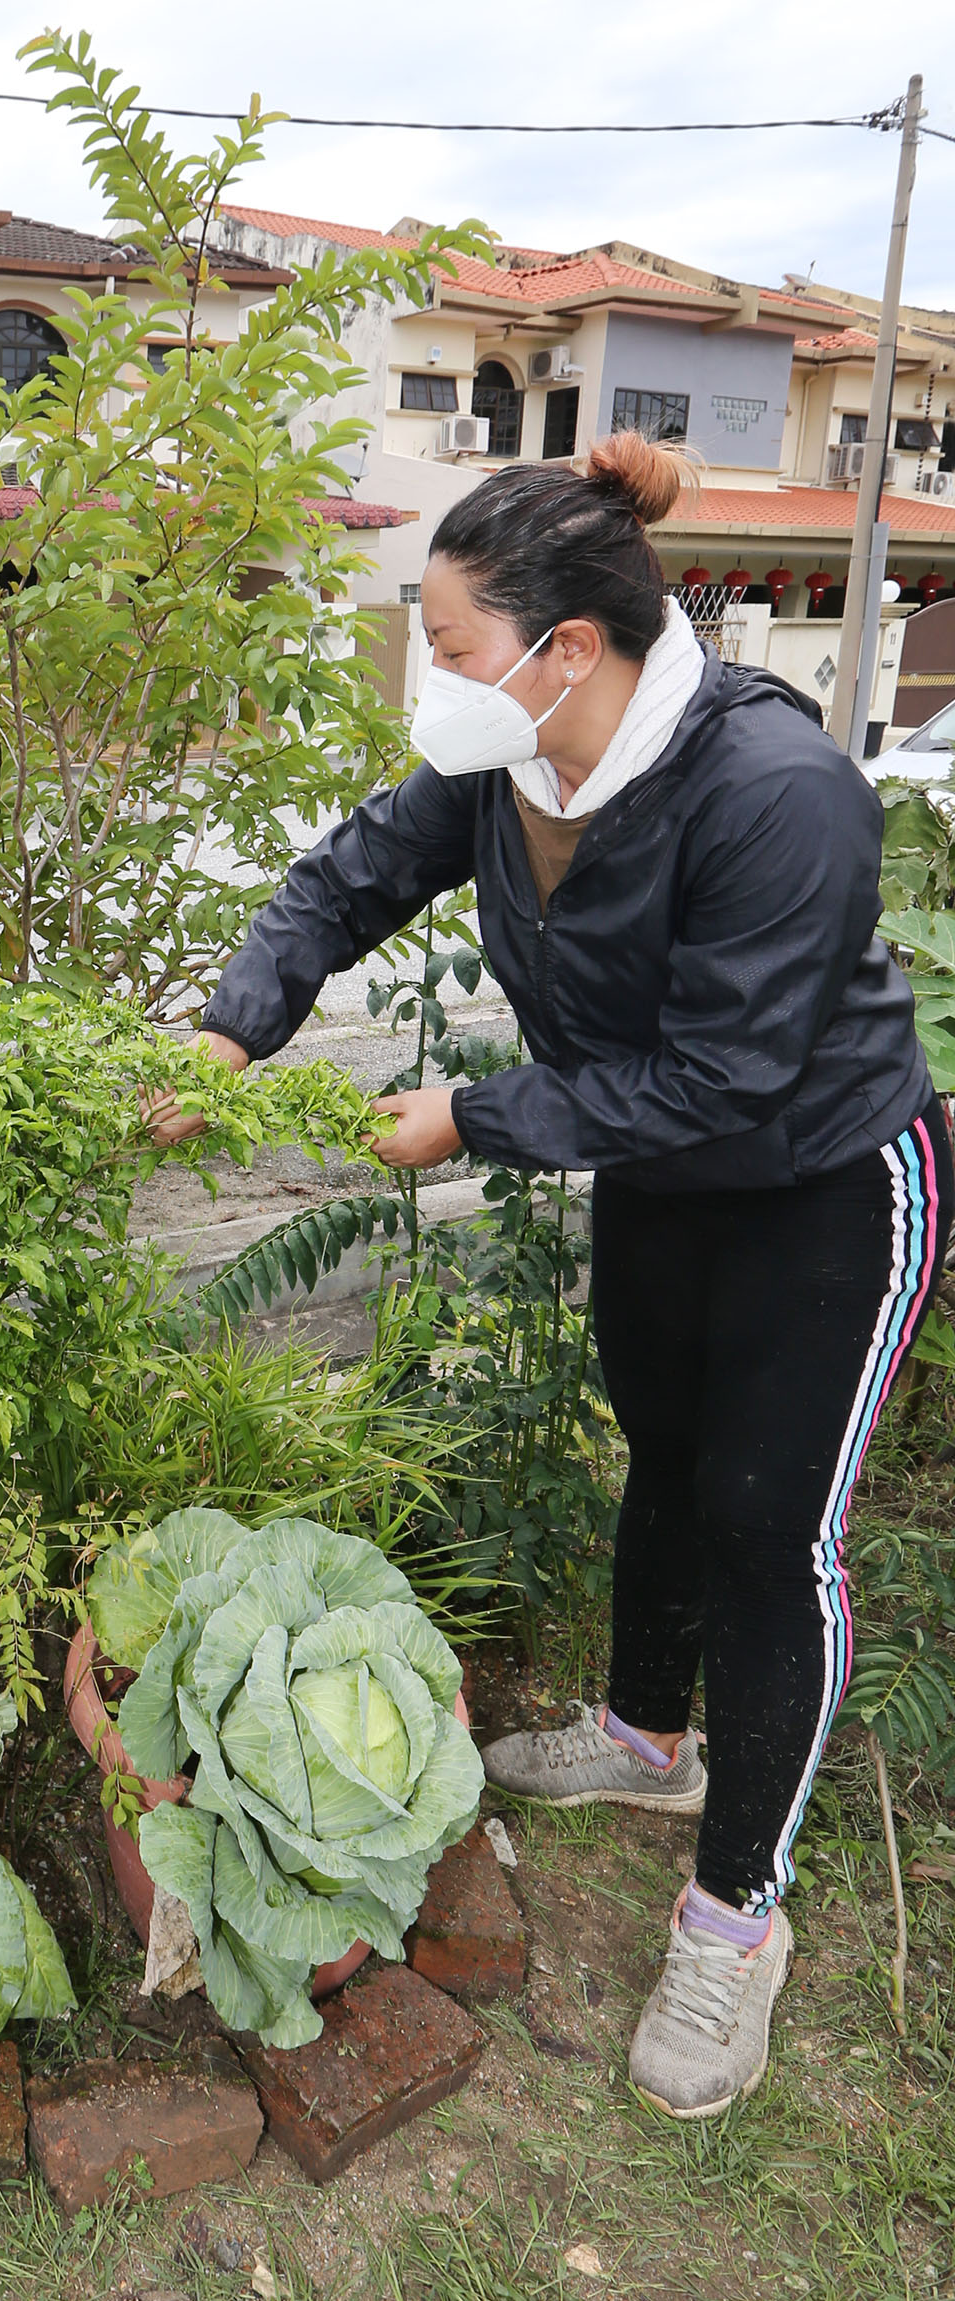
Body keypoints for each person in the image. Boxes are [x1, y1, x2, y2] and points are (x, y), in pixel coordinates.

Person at [162, 431, 949, 2120]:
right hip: (664, 1169)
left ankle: (737, 1914)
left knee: (767, 1527)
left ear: (564, 647)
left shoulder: (774, 793)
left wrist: (472, 1112)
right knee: (660, 1456)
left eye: (448, 644)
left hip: (823, 1183)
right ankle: (648, 1740)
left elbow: (728, 1072)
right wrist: (235, 1026)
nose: (431, 680)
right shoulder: (506, 763)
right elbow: (343, 877)